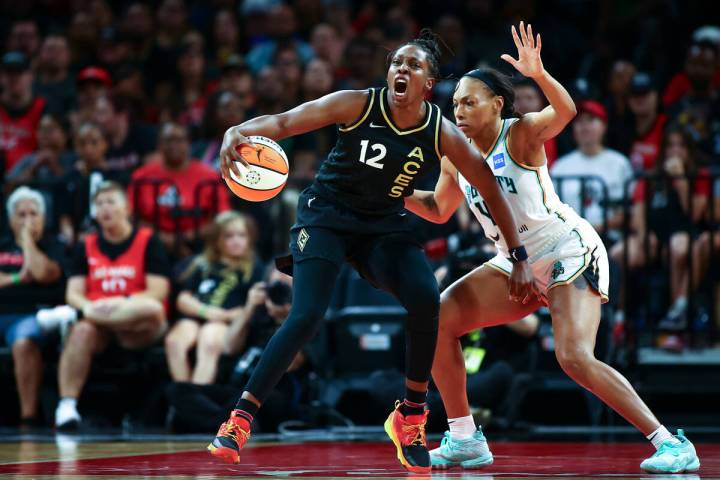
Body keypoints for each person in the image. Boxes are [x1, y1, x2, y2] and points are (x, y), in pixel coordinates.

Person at [208, 29, 535, 474]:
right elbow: (286, 122)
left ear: (428, 82)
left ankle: (411, 415)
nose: (402, 69)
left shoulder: (440, 131)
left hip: (381, 226)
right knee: (306, 315)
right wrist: (238, 130)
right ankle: (239, 418)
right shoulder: (357, 103)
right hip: (326, 217)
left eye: (413, 65)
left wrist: (517, 252)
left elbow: (488, 185)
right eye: (397, 62)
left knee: (425, 297)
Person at [404, 23, 700, 474]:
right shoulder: (454, 152)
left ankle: (671, 442)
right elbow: (439, 209)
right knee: (438, 318)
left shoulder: (519, 132)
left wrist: (539, 75)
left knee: (574, 357)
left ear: (496, 104)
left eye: (469, 101)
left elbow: (565, 112)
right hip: (513, 260)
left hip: (567, 249)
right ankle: (465, 438)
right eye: (455, 103)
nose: (458, 110)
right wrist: (393, 192)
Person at [46, 181, 170, 429]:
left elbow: (158, 292)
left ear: (127, 209)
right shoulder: (86, 245)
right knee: (81, 331)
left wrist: (113, 303)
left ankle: (70, 317)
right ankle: (67, 407)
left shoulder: (148, 240)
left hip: (137, 324)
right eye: (99, 204)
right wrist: (90, 309)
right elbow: (74, 293)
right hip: (98, 326)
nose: (105, 209)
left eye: (111, 202)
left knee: (152, 309)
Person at [165, 211, 263, 384]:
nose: (236, 241)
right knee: (174, 342)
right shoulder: (202, 264)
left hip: (228, 324)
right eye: (229, 236)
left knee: (209, 338)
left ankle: (194, 397)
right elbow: (183, 300)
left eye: (241, 235)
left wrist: (222, 316)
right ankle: (184, 396)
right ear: (217, 240)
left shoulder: (254, 268)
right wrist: (206, 311)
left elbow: (251, 308)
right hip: (198, 316)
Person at [0, 187, 65, 427]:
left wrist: (27, 240)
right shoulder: (2, 243)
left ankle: (27, 417)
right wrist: (16, 278)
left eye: (33, 214)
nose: (28, 220)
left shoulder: (54, 245)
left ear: (44, 218)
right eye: (21, 214)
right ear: (10, 219)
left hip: (34, 315)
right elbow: (25, 275)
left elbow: (44, 273)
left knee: (23, 341)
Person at [128, 122, 231, 257]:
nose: (174, 145)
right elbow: (130, 217)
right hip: (152, 244)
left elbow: (223, 218)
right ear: (159, 145)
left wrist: (190, 236)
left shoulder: (209, 176)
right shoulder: (141, 177)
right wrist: (163, 238)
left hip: (200, 245)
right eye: (168, 140)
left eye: (180, 140)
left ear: (189, 143)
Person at [551, 99, 634, 240]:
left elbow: (627, 211)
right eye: (579, 121)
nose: (584, 126)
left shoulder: (620, 163)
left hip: (609, 238)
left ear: (604, 126)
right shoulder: (560, 166)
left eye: (591, 120)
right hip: (568, 240)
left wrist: (592, 230)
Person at [0, 52, 46, 173]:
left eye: (19, 72)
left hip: (31, 176)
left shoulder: (44, 108)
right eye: (9, 73)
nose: (13, 78)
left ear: (31, 76)